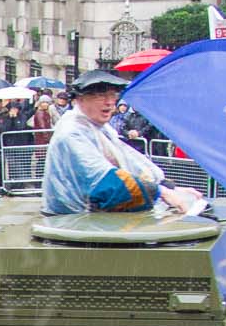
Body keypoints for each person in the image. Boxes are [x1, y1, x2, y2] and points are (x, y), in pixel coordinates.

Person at [42, 69, 202, 216]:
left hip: (89, 219)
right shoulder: (72, 132)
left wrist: (169, 188)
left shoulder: (98, 128)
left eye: (113, 95)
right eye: (101, 95)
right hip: (70, 223)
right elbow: (106, 183)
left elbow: (132, 163)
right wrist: (162, 192)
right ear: (79, 100)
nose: (109, 102)